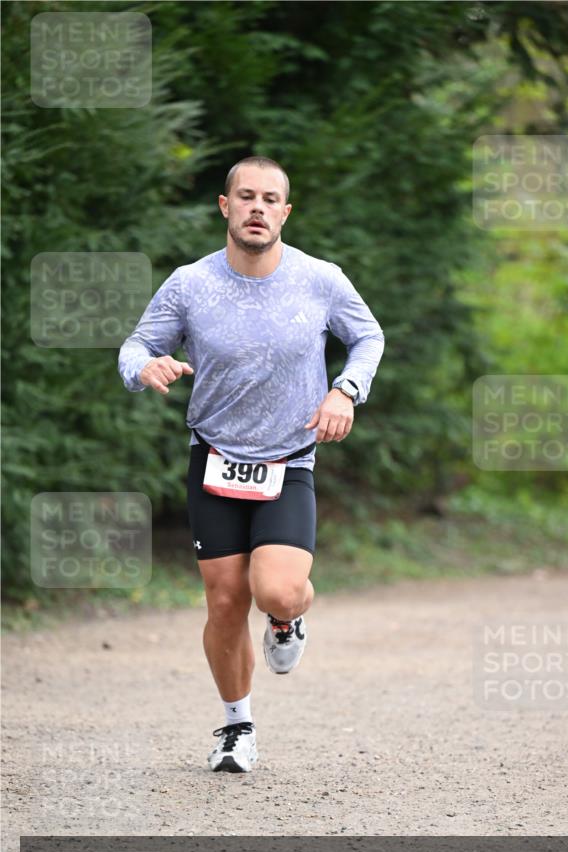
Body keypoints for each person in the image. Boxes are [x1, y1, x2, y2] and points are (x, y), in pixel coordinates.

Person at [118, 156, 384, 773]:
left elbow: (368, 336)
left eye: (270, 199)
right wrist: (144, 367)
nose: (257, 207)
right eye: (246, 197)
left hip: (289, 460)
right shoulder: (190, 283)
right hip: (213, 457)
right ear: (225, 206)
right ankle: (237, 726)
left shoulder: (321, 280)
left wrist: (345, 390)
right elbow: (138, 344)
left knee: (279, 592)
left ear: (285, 213)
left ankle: (288, 623)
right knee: (224, 601)